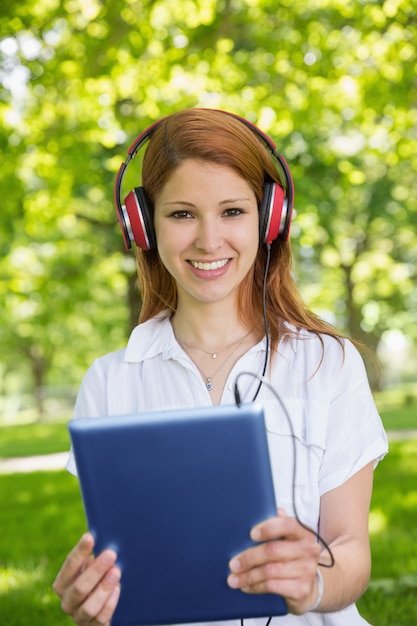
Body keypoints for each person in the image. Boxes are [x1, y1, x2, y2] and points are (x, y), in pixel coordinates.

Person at [53, 108, 388, 626]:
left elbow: (352, 549)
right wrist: (97, 605)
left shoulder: (329, 363)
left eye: (232, 211)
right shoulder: (109, 382)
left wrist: (313, 581)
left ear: (269, 218)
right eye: (182, 214)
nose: (209, 241)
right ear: (143, 226)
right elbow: (129, 566)